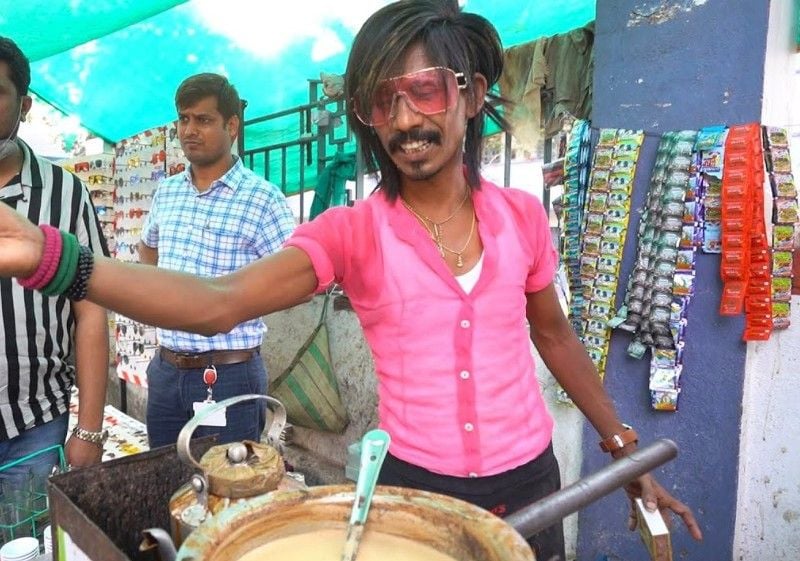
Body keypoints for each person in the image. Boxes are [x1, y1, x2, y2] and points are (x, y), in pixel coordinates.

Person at [0, 2, 703, 558]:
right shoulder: (352, 231)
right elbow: (219, 303)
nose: (403, 120)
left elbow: (554, 335)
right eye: (381, 100)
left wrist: (622, 446)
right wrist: (56, 259)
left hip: (531, 480)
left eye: (424, 91)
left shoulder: (521, 218)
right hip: (412, 491)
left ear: (471, 93)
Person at [137, 73, 296, 448]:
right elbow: (148, 249)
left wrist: (232, 306)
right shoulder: (168, 192)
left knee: (227, 490)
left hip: (229, 372)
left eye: (204, 120)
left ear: (232, 126)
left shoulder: (263, 200)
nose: (190, 130)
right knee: (162, 482)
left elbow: (298, 278)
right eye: (184, 119)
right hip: (166, 370)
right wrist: (159, 301)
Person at [0, 37, 109, 486]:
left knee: (30, 550)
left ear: (24, 105)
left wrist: (89, 429)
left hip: (35, 427)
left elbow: (91, 311)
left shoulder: (65, 194)